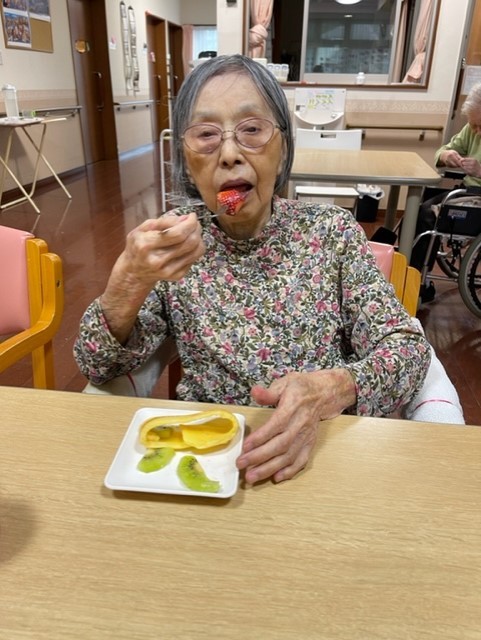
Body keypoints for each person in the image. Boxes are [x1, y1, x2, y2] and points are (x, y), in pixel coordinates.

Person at [74, 54, 431, 484]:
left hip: (320, 454)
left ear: (283, 151)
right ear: (185, 160)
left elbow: (408, 350)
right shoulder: (175, 244)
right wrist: (127, 281)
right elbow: (97, 366)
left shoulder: (330, 232)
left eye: (252, 130)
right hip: (209, 464)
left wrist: (334, 387)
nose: (229, 154)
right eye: (206, 134)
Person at [409, 82, 481, 272]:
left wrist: (480, 172)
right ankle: (411, 272)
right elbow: (441, 152)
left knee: (428, 215)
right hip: (467, 193)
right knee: (418, 208)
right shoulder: (471, 129)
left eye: (480, 125)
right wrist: (446, 156)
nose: (477, 131)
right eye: (473, 125)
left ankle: (417, 275)